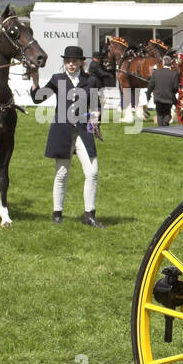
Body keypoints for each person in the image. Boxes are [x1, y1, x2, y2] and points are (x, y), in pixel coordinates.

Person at [34, 45, 105, 227]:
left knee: (93, 172)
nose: (70, 64)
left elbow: (96, 105)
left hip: (84, 130)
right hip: (62, 130)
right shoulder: (57, 79)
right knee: (62, 173)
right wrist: (34, 83)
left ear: (82, 62)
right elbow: (38, 98)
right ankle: (57, 212)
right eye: (67, 61)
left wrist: (96, 118)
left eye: (74, 61)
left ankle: (89, 214)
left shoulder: (91, 81)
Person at [146, 54, 180, 127]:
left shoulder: (156, 73)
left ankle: (161, 127)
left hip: (158, 97)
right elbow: (176, 88)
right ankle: (165, 124)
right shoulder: (174, 74)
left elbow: (150, 86)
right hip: (169, 97)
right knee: (167, 113)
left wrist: (148, 95)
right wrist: (172, 93)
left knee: (159, 114)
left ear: (163, 63)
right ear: (170, 63)